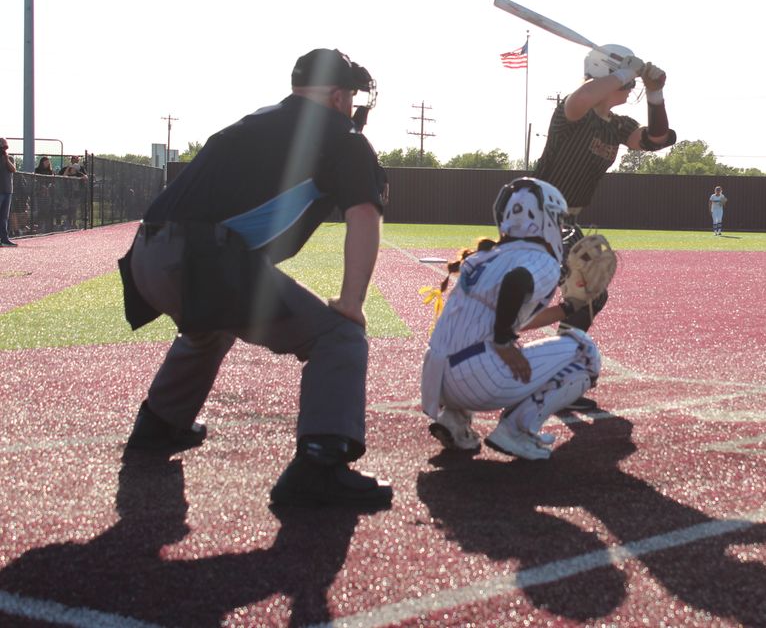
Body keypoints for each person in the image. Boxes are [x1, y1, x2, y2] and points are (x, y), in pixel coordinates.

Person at [118, 48, 392, 510]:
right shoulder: (341, 134)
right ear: (339, 95)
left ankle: (161, 422)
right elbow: (364, 215)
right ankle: (320, 465)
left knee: (213, 323)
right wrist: (351, 302)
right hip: (198, 259)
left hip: (145, 254)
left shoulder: (256, 120)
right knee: (340, 338)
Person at [531, 45, 676, 409]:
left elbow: (657, 138)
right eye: (625, 83)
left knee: (589, 293)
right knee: (578, 292)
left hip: (567, 221)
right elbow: (581, 97)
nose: (630, 90)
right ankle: (540, 366)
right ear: (608, 73)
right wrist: (626, 72)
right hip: (537, 215)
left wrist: (655, 92)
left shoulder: (618, 126)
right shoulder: (573, 111)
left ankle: (553, 368)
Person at [420, 177, 601, 460]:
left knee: (480, 338)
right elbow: (516, 283)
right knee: (584, 351)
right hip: (477, 380)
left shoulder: (487, 256)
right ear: (543, 219)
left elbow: (512, 316)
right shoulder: (540, 259)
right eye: (557, 219)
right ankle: (517, 431)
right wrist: (504, 341)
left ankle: (454, 420)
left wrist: (568, 308)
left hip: (437, 381)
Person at [0, 138, 16, 247]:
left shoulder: (9, 158)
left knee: (4, 217)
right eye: (2, 146)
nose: (4, 148)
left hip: (7, 191)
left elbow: (13, 169)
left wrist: (6, 159)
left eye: (6, 146)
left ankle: (5, 239)